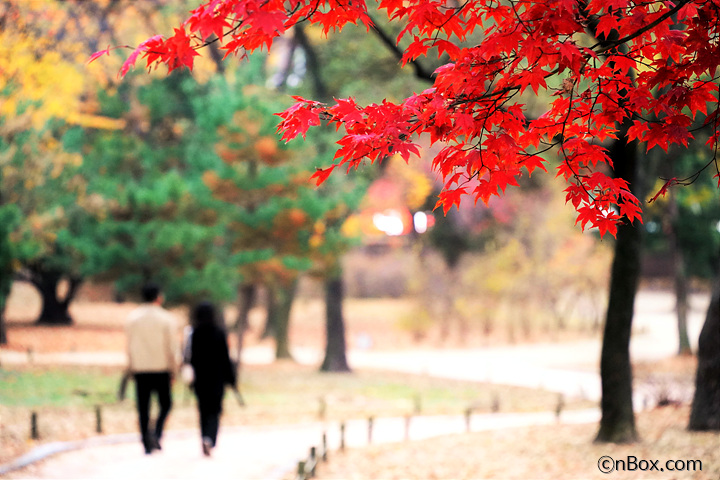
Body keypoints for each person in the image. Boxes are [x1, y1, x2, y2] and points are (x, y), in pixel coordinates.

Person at [125, 283, 179, 454]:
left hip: (141, 369)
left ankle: (146, 442)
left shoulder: (133, 318)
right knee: (166, 404)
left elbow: (129, 346)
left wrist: (131, 366)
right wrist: (174, 369)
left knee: (143, 408)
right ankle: (156, 433)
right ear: (158, 297)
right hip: (161, 369)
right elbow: (172, 348)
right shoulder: (167, 319)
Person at [188, 301, 236, 456]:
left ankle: (204, 437)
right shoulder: (219, 332)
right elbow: (225, 357)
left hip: (201, 378)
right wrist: (231, 378)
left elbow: (192, 358)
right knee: (215, 410)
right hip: (217, 378)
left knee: (203, 410)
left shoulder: (195, 333)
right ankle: (210, 438)